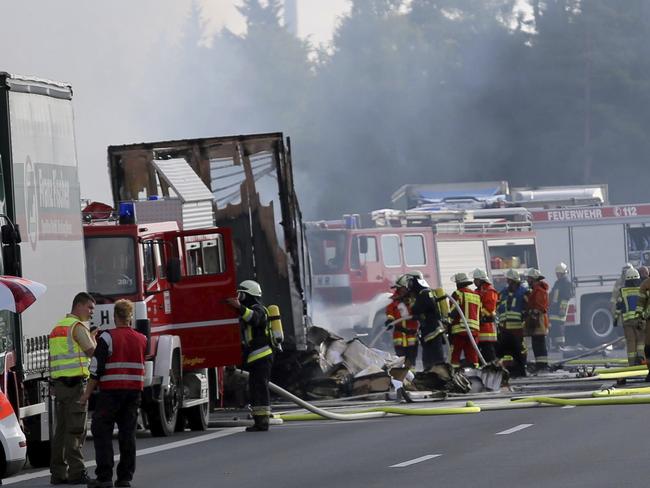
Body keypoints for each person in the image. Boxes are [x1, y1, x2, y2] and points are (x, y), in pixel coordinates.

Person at [81, 300, 147, 488]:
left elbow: (95, 370)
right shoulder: (142, 339)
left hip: (111, 393)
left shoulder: (107, 338)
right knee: (128, 434)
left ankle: (105, 477)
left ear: (114, 316)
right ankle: (125, 477)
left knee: (102, 432)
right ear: (131, 317)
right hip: (134, 393)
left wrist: (86, 394)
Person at [48, 292, 96, 485]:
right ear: (79, 306)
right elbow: (91, 352)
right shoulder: (77, 328)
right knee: (76, 430)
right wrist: (93, 338)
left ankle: (58, 473)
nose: (92, 312)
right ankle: (77, 472)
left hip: (60, 386)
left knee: (61, 431)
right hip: (75, 385)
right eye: (90, 308)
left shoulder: (58, 327)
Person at [226, 280, 274, 432]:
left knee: (260, 389)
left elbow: (254, 319)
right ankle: (259, 421)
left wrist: (239, 307)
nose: (239, 298)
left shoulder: (259, 309)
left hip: (262, 356)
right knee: (255, 389)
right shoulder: (251, 309)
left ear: (248, 295)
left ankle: (263, 422)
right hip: (256, 357)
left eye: (241, 294)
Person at [408, 275, 447, 370]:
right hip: (429, 332)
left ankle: (441, 376)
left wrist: (412, 301)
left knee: (435, 358)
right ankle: (431, 376)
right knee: (429, 357)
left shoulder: (424, 294)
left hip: (432, 331)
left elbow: (415, 310)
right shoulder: (427, 293)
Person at [496, 269, 528, 377]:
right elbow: (497, 304)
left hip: (517, 327)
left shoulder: (523, 292)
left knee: (520, 348)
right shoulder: (503, 292)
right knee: (506, 350)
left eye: (510, 281)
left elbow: (528, 306)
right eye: (507, 280)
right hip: (504, 327)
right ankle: (509, 369)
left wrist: (525, 317)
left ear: (515, 281)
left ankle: (522, 367)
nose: (508, 282)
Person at [385, 274, 419, 369]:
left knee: (412, 358)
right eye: (401, 288)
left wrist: (418, 316)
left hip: (412, 335)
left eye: (403, 288)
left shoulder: (413, 298)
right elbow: (390, 311)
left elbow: (418, 309)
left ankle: (412, 375)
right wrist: (390, 320)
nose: (402, 290)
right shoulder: (394, 300)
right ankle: (402, 375)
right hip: (399, 334)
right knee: (400, 358)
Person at [448, 273, 482, 369]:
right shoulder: (476, 295)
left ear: (458, 283)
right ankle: (474, 373)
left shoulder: (458, 293)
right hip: (474, 331)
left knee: (456, 353)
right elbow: (480, 313)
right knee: (472, 354)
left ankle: (453, 373)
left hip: (460, 330)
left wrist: (447, 322)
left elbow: (453, 311)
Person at [616, 267, 643, 366]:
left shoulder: (622, 291)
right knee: (641, 341)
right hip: (640, 321)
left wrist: (616, 319)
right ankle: (642, 361)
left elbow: (618, 306)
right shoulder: (642, 290)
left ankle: (632, 363)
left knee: (631, 342)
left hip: (627, 322)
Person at [525, 268, 551, 372]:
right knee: (536, 343)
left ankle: (542, 365)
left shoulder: (539, 290)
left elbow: (540, 306)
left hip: (539, 319)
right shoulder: (535, 290)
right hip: (536, 318)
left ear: (533, 279)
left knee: (539, 342)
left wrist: (533, 315)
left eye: (529, 278)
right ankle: (540, 364)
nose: (527, 280)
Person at [473, 268, 499, 363]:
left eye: (475, 280)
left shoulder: (490, 291)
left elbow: (490, 308)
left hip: (487, 326)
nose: (474, 282)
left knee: (488, 350)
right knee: (481, 350)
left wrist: (479, 313)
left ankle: (493, 368)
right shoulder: (478, 291)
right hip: (480, 325)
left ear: (480, 280)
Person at [549, 262, 574, 351]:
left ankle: (561, 345)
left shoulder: (566, 283)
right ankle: (556, 345)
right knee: (554, 326)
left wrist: (562, 309)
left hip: (560, 309)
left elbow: (566, 297)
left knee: (559, 327)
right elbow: (553, 294)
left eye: (558, 274)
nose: (557, 275)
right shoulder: (558, 282)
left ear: (561, 273)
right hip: (554, 308)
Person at [636, 268, 650, 380]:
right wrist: (639, 316)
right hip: (649, 321)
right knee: (648, 348)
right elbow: (641, 302)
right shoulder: (646, 285)